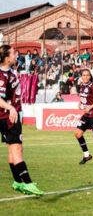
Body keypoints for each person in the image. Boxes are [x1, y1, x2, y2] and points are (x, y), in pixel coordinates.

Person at [0, 45, 44, 195]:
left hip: (10, 115)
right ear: (6, 57)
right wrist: (11, 108)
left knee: (13, 150)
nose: (16, 54)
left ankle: (17, 182)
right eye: (13, 53)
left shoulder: (9, 71)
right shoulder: (1, 75)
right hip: (8, 116)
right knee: (17, 150)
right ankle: (28, 183)